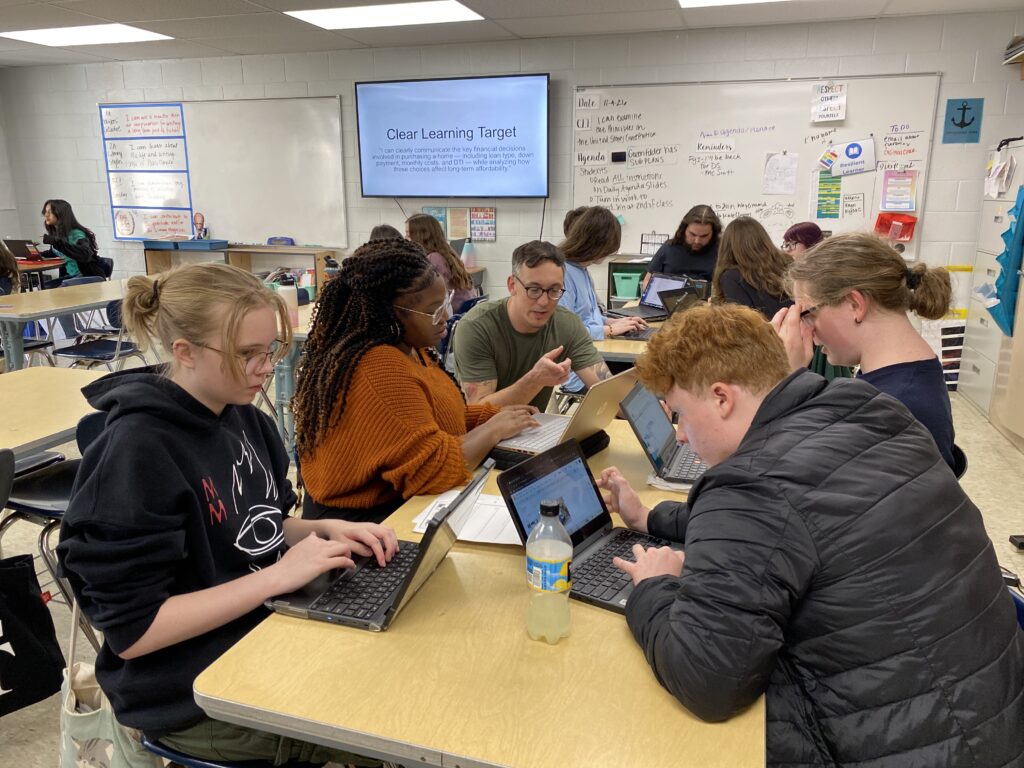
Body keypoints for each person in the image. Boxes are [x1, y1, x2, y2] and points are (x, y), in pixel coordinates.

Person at [597, 303, 1024, 767]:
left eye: (680, 413)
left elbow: (708, 681)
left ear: (721, 398)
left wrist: (655, 586)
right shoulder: (868, 408)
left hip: (911, 747)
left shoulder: (749, 488)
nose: (680, 435)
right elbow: (797, 513)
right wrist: (649, 518)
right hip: (988, 719)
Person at [57, 262, 398, 767]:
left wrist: (322, 528)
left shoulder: (244, 418)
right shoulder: (136, 453)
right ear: (185, 352)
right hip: (192, 697)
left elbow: (251, 525)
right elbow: (134, 632)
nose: (266, 368)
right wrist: (277, 577)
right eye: (246, 354)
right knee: (395, 722)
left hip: (263, 637)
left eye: (271, 350)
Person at [293, 238, 538, 522]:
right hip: (357, 523)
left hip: (400, 504)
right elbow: (433, 470)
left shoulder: (412, 348)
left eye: (445, 302)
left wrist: (493, 417)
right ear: (391, 313)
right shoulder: (379, 366)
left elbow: (434, 420)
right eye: (433, 310)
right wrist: (493, 429)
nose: (446, 316)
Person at [775, 231, 956, 468]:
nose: (806, 329)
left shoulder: (892, 407)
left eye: (808, 314)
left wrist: (784, 383)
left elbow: (788, 470)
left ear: (855, 304)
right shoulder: (903, 375)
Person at [453, 240, 612, 411]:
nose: (544, 302)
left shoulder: (567, 324)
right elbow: (478, 414)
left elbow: (607, 391)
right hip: (489, 428)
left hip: (535, 424)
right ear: (512, 286)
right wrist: (535, 380)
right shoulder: (476, 327)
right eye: (534, 290)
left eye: (554, 290)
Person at [559, 206, 647, 341]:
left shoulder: (582, 269)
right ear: (596, 244)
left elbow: (587, 316)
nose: (608, 253)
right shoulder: (563, 274)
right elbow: (565, 331)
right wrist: (609, 330)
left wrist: (611, 322)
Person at [711, 216, 792, 317]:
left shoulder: (731, 277)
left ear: (727, 246)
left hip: (764, 326)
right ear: (763, 239)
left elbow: (742, 321)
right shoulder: (786, 262)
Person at [406, 213, 476, 312]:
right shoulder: (446, 252)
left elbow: (429, 295)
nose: (405, 238)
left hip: (453, 312)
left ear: (420, 236)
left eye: (408, 234)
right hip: (464, 308)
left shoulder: (433, 258)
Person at [642, 204, 721, 289]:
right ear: (684, 229)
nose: (697, 241)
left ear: (713, 233)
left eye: (704, 236)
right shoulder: (669, 247)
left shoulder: (721, 251)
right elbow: (647, 281)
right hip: (668, 296)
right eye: (692, 234)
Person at [40, 199, 104, 284]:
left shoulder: (76, 233)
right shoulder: (59, 234)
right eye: (45, 211)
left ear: (61, 214)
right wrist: (34, 254)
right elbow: (57, 252)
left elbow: (85, 254)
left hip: (86, 276)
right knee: (44, 287)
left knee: (50, 290)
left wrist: (56, 242)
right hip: (71, 277)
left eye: (50, 212)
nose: (46, 215)